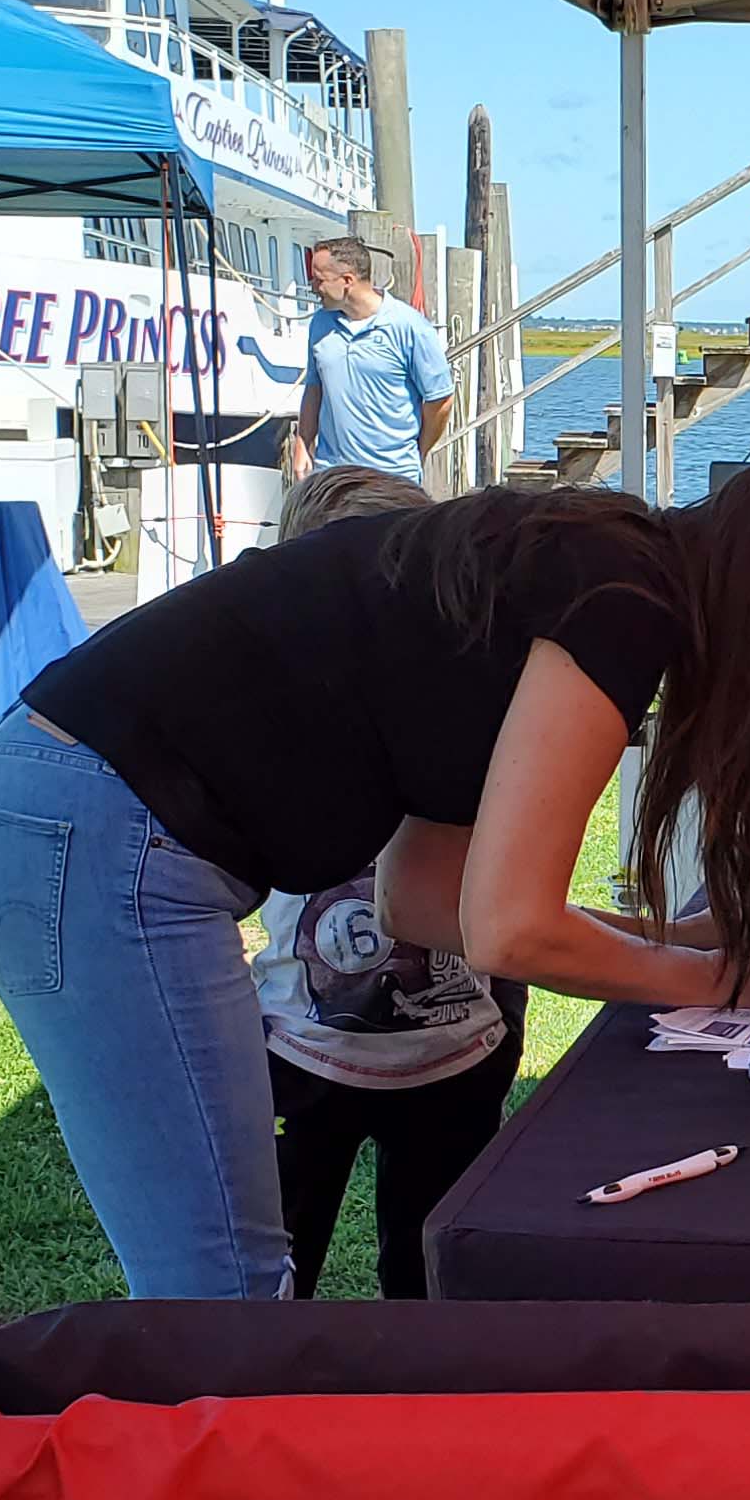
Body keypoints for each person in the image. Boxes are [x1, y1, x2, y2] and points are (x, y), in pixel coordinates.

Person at [0, 448, 750, 1298]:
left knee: (227, 1280)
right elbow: (510, 932)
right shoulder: (623, 601)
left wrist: (674, 940)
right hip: (96, 826)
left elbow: (427, 903)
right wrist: (729, 980)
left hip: (68, 804)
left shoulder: (563, 571)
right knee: (218, 1285)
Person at [251, 464, 528, 1297]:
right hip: (300, 1046)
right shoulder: (268, 711)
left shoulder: (483, 703)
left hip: (458, 1052)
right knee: (272, 1266)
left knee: (429, 1276)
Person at [292, 235, 452, 484]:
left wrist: (418, 451)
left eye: (319, 280)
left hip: (392, 479)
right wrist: (303, 443)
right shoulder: (320, 323)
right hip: (332, 476)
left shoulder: (410, 327)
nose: (313, 287)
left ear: (347, 281)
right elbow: (314, 387)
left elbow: (440, 399)